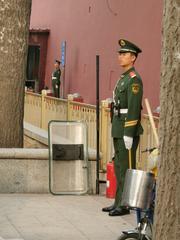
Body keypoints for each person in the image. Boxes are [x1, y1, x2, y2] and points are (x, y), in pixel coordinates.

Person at [102, 39, 143, 216]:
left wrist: (129, 133)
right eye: (119, 53)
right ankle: (118, 201)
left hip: (127, 130)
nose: (120, 57)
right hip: (118, 128)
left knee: (126, 168)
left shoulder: (134, 80)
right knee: (119, 167)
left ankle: (125, 205)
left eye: (124, 54)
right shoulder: (123, 78)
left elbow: (133, 108)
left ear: (133, 57)